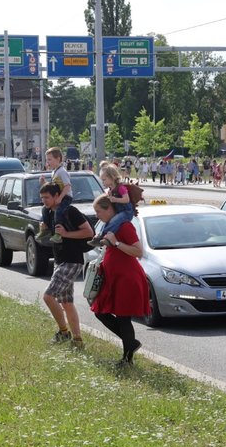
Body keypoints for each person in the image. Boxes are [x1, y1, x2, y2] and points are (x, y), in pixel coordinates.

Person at [89, 195, 150, 366]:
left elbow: (138, 252)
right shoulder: (110, 226)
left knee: (124, 318)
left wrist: (116, 243)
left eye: (98, 211)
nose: (97, 215)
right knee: (100, 312)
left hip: (127, 279)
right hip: (114, 278)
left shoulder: (124, 226)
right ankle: (131, 344)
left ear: (109, 208)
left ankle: (127, 358)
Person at [40, 182, 94, 348]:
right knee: (67, 303)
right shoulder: (48, 212)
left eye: (47, 197)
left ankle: (64, 332)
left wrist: (66, 234)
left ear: (57, 196)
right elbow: (52, 233)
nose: (44, 201)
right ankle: (77, 340)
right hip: (59, 260)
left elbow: (89, 232)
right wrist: (44, 229)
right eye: (42, 198)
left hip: (72, 260)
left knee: (48, 296)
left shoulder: (70, 211)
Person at [90, 164, 134, 247]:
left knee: (114, 221)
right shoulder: (111, 189)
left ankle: (106, 238)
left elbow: (126, 199)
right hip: (119, 211)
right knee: (108, 222)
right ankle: (99, 236)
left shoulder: (120, 187)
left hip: (126, 212)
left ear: (112, 177)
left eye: (104, 180)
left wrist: (115, 199)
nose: (103, 182)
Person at [38, 147, 73, 244]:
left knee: (58, 212)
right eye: (47, 159)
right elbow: (53, 187)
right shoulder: (54, 172)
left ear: (58, 159)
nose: (48, 162)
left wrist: (60, 198)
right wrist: (44, 182)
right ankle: (47, 229)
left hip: (66, 197)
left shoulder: (62, 171)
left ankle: (58, 234)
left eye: (50, 159)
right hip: (58, 196)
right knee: (44, 209)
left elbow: (67, 186)